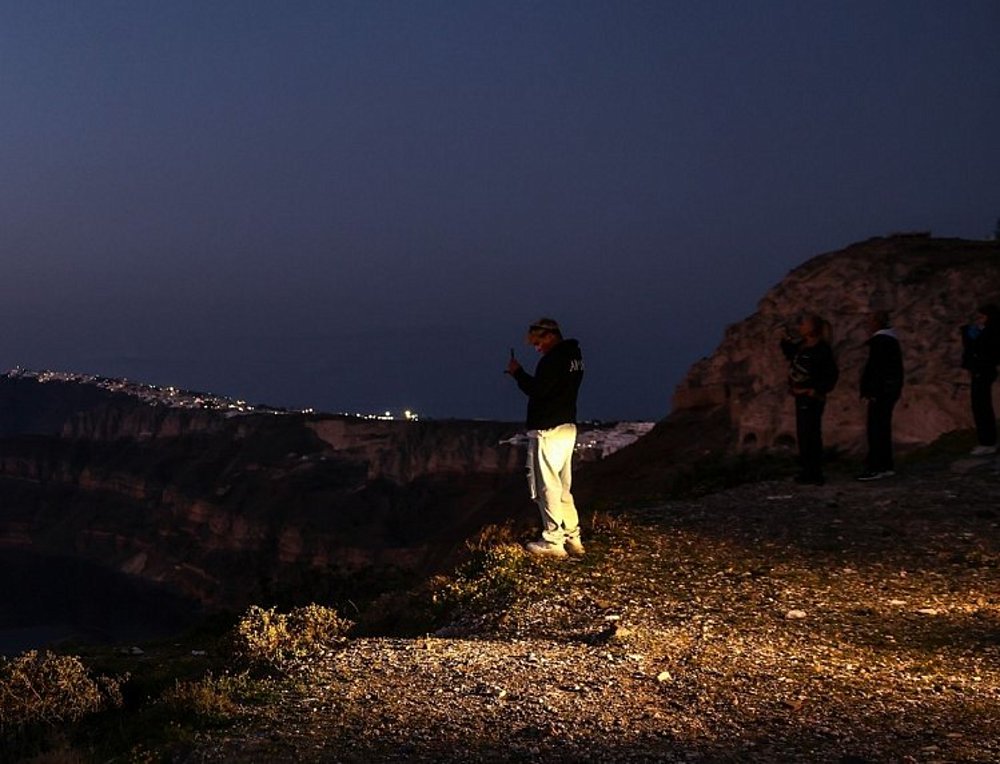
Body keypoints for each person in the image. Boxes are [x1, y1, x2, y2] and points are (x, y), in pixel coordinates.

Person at [506, 318, 585, 558]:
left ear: (550, 336)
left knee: (547, 485)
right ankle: (573, 537)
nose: (536, 347)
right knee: (563, 486)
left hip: (549, 430)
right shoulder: (575, 358)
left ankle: (553, 540)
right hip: (568, 426)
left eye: (538, 342)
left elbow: (537, 391)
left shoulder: (553, 360)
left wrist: (517, 373)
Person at [780, 314, 839, 485]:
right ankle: (807, 470)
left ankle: (814, 473)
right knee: (804, 434)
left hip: (811, 397)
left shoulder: (822, 349)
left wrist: (816, 390)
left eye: (803, 324)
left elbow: (831, 374)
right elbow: (790, 354)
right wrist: (784, 339)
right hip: (801, 396)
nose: (800, 327)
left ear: (813, 327)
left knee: (811, 433)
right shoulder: (802, 346)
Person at [856, 311, 904, 481]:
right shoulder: (890, 341)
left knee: (876, 429)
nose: (868, 325)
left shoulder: (881, 342)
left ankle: (876, 467)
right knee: (882, 429)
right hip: (888, 392)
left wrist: (872, 391)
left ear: (877, 323)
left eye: (870, 321)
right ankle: (885, 466)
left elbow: (877, 370)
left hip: (880, 393)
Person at [960, 304, 1000, 456]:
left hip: (983, 371)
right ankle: (986, 440)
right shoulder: (988, 331)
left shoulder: (992, 332)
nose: (980, 320)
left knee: (981, 406)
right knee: (980, 406)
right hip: (981, 371)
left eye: (982, 316)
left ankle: (987, 441)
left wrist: (972, 337)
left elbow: (983, 350)